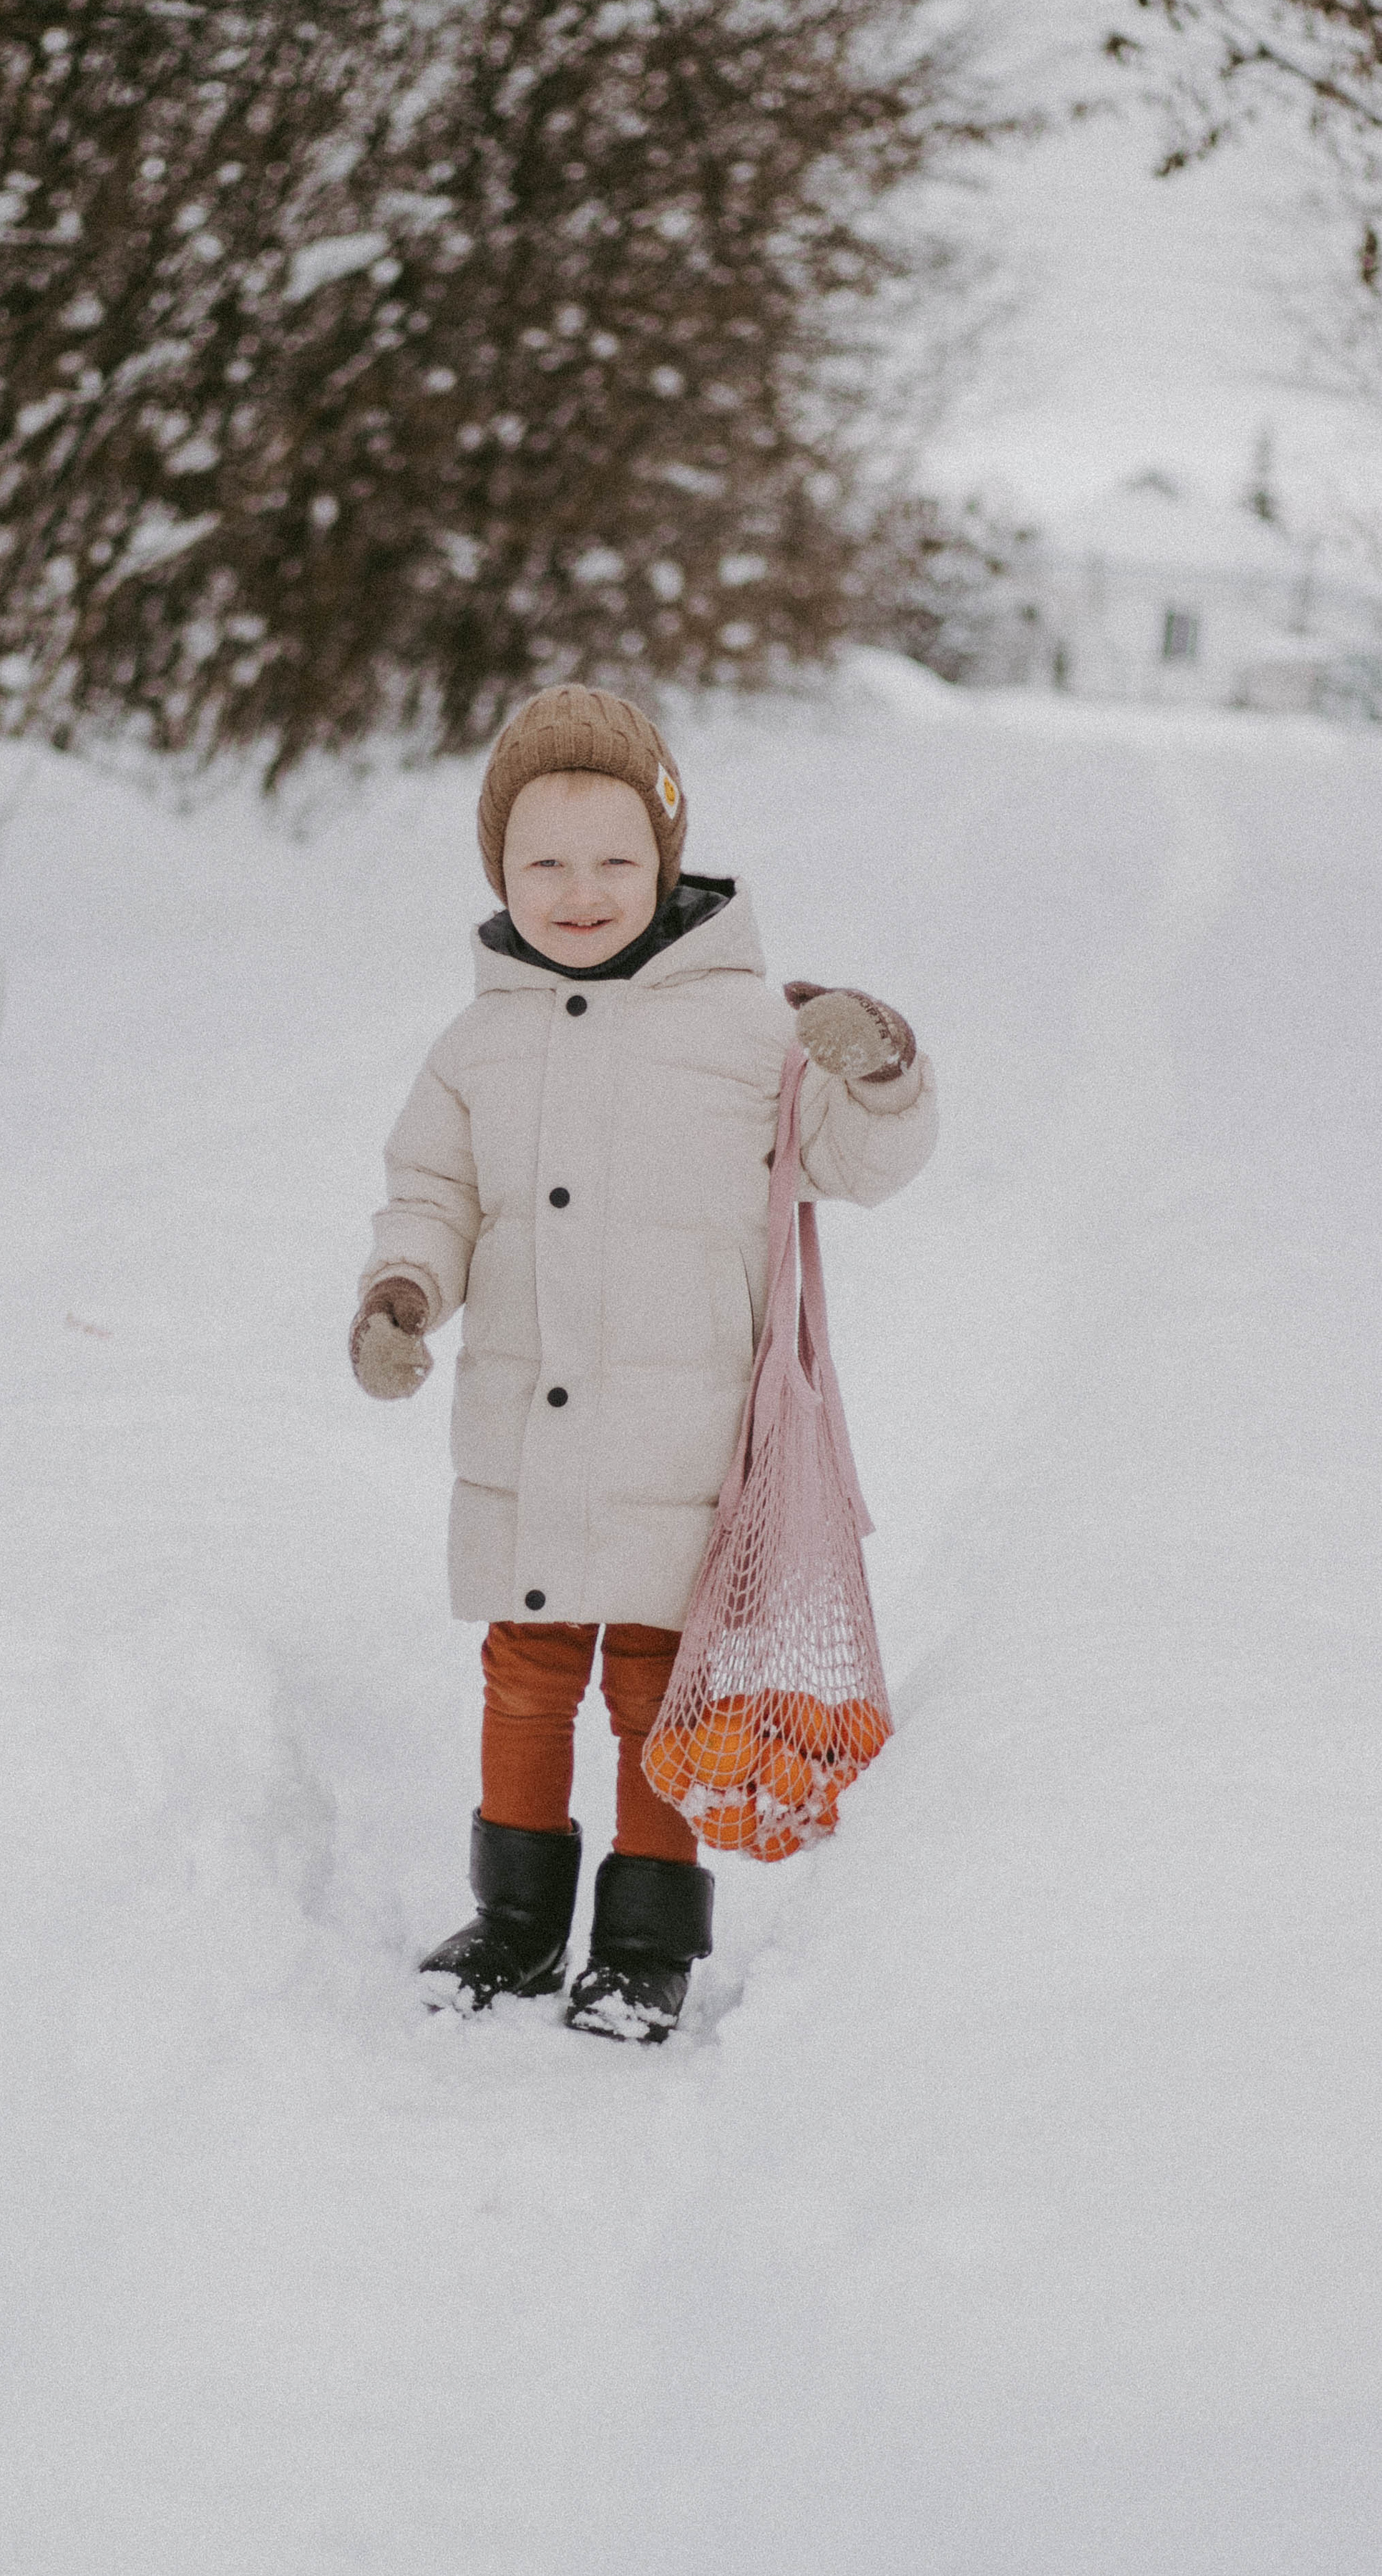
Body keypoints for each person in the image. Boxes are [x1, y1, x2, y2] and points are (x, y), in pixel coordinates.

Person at [350, 685, 936, 2041]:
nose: (580, 890)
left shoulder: (751, 1027)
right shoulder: (477, 1041)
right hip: (525, 1425)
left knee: (656, 1686)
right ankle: (512, 1922)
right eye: (542, 862)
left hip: (690, 1440)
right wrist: (403, 1291)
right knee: (528, 1665)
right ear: (499, 871)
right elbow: (427, 1193)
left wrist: (883, 1073)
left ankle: (648, 1941)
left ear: (665, 864)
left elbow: (859, 1163)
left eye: (615, 860)